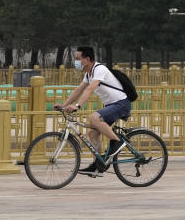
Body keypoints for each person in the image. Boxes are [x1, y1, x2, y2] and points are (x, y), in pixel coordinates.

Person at [56, 46, 131, 174]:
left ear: (87, 59)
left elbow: (90, 89)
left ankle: (117, 142)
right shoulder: (88, 74)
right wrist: (64, 105)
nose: (76, 61)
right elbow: (79, 90)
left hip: (121, 103)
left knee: (93, 118)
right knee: (92, 134)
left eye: (78, 58)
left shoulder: (99, 69)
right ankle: (98, 164)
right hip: (111, 106)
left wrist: (77, 106)